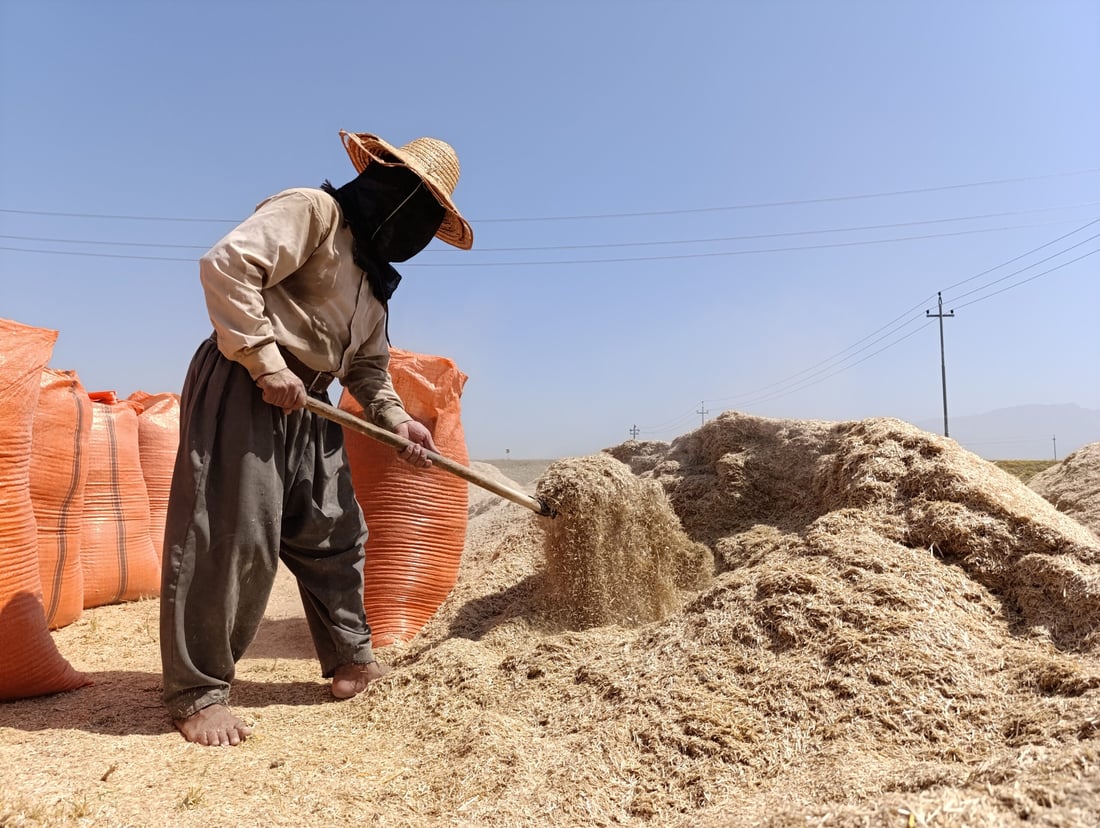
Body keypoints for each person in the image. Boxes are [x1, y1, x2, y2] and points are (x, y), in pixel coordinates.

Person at [159, 130, 473, 746]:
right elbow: (226, 264)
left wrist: (398, 421)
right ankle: (199, 691)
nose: (417, 225)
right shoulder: (314, 212)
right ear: (387, 181)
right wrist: (266, 362)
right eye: (417, 203)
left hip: (312, 402)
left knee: (335, 530)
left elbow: (368, 372)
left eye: (430, 218)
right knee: (233, 532)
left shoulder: (374, 284)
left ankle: (350, 659)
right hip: (245, 376)